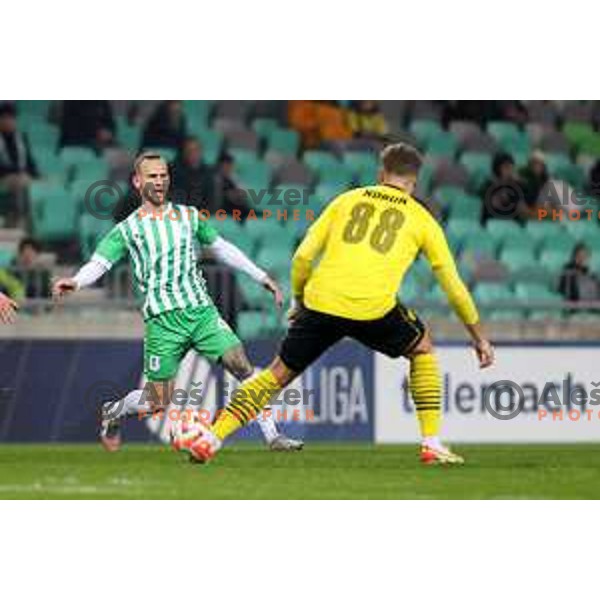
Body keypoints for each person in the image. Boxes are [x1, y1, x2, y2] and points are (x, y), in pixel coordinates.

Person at [185, 143, 495, 465]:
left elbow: (303, 256)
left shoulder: (346, 200)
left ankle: (211, 437)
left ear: (380, 173)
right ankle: (431, 443)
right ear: (415, 181)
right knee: (423, 349)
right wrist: (478, 338)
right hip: (373, 308)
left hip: (321, 301)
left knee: (276, 374)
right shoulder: (422, 219)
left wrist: (301, 300)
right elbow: (453, 286)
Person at [53, 152, 303, 453]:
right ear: (137, 181)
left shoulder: (188, 216)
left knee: (241, 364)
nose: (159, 181)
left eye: (163, 175)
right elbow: (100, 262)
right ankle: (113, 411)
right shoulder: (128, 229)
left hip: (200, 311)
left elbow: (221, 247)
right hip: (162, 321)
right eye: (152, 176)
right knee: (156, 402)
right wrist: (77, 281)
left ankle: (272, 435)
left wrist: (260, 275)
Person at [0, 102, 39, 223]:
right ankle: (19, 220)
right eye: (5, 118)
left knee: (50, 182)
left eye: (11, 118)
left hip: (22, 177)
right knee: (20, 182)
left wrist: (37, 176)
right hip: (4, 178)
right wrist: (16, 174)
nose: (9, 121)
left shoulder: (21, 138)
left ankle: (35, 222)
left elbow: (30, 162)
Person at [169, 137, 215, 210]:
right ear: (184, 152)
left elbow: (211, 200)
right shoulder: (173, 170)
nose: (193, 154)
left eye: (196, 150)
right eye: (189, 150)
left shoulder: (208, 173)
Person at [479, 152, 522, 224]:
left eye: (511, 167)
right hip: (491, 224)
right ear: (497, 168)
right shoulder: (487, 186)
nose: (510, 171)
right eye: (506, 167)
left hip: (511, 225)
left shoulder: (515, 186)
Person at [213, 151, 251, 217]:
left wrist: (237, 194)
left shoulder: (234, 178)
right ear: (220, 166)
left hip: (237, 207)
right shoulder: (214, 178)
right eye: (225, 165)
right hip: (222, 208)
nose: (227, 168)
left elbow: (244, 193)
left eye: (229, 165)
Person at [519, 150, 549, 215]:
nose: (537, 166)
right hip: (526, 207)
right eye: (535, 163)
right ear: (530, 164)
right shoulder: (523, 175)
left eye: (540, 164)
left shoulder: (545, 177)